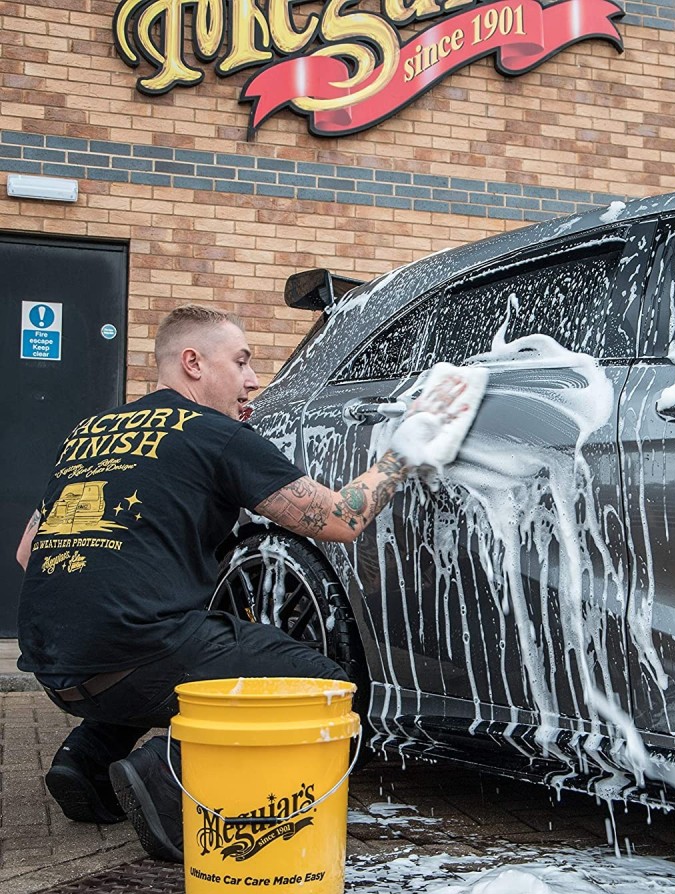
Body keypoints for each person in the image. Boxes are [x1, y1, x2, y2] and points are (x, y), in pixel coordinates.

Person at [14, 303, 473, 863]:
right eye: (242, 361)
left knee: (181, 641)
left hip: (55, 664)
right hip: (137, 656)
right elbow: (339, 519)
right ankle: (167, 777)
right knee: (324, 684)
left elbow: (25, 553)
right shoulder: (215, 434)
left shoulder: (90, 432)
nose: (255, 380)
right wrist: (408, 448)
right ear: (193, 363)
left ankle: (84, 760)